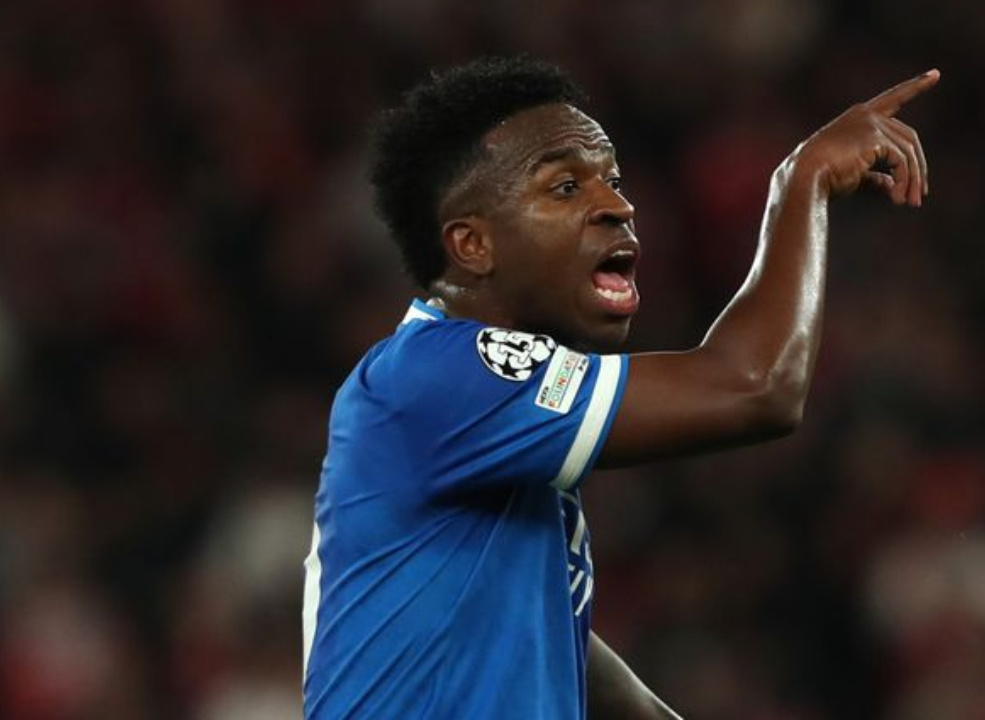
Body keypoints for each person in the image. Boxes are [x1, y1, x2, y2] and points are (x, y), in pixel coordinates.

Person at [302, 56, 938, 719]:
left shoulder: (487, 438)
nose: (618, 206)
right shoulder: (438, 375)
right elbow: (755, 386)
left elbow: (570, 658)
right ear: (472, 245)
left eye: (611, 179)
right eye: (564, 187)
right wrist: (801, 181)